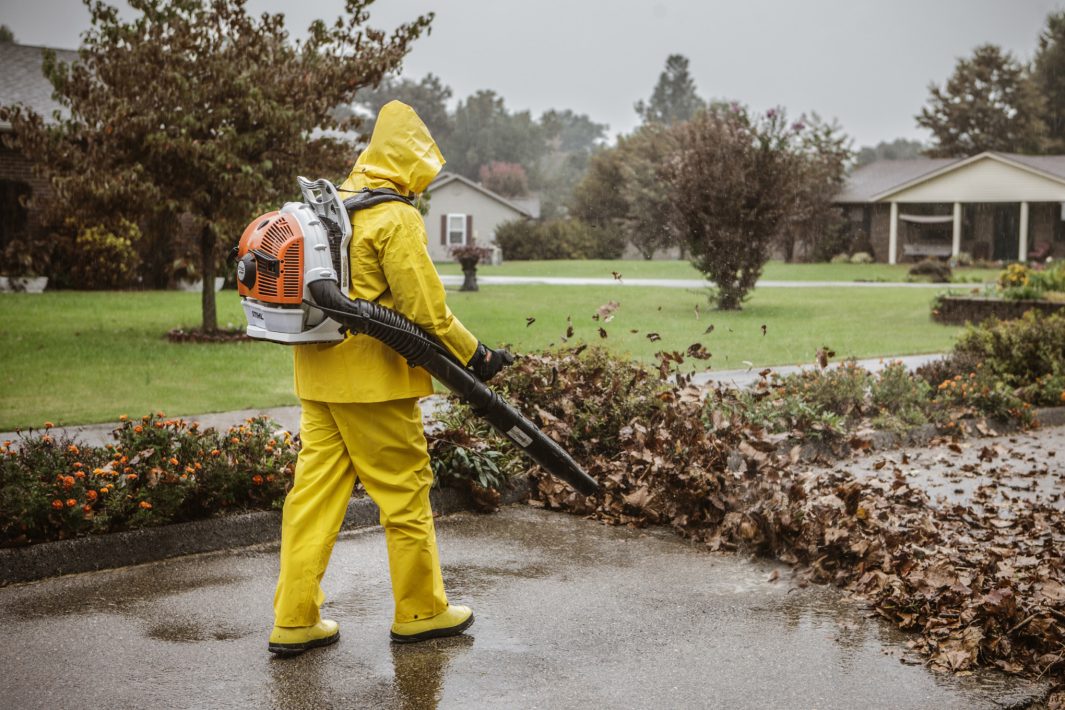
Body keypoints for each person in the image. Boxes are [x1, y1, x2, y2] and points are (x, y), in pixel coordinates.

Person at [268, 100, 511, 656]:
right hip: (374, 384)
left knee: (312, 499)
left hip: (318, 377)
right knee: (404, 494)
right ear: (409, 162)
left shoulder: (334, 205)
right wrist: (478, 357)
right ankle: (422, 611)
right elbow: (426, 313)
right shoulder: (394, 217)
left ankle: (294, 619)